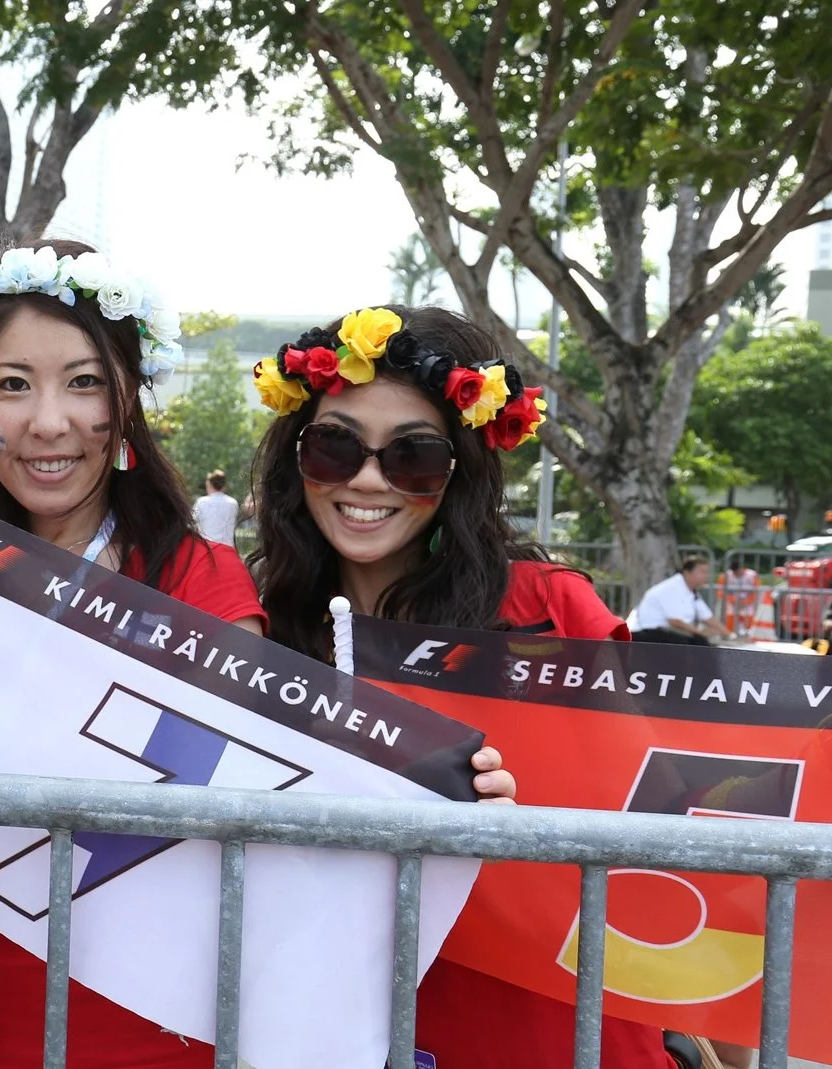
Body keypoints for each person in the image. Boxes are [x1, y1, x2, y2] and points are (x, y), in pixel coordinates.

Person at [0, 254, 513, 1068]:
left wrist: (439, 782)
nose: (47, 421)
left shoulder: (201, 580)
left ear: (128, 397)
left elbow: (251, 796)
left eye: (83, 383)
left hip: (150, 1016)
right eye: (11, 384)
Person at [249, 304, 668, 1069]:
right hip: (328, 1023)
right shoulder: (257, 622)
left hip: (536, 1024)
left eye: (412, 456)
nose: (368, 480)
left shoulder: (551, 610)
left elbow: (657, 813)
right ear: (295, 457)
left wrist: (523, 811)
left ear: (460, 470)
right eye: (335, 446)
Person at [631, 558, 726, 645]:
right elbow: (675, 621)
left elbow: (707, 617)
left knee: (702, 643)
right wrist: (700, 632)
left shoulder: (692, 591)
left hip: (666, 632)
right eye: (702, 572)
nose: (706, 576)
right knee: (695, 643)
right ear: (687, 572)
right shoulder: (672, 588)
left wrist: (728, 633)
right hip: (647, 632)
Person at [192, 468, 239, 546]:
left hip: (208, 548)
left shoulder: (202, 502)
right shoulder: (233, 503)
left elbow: (193, 523)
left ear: (209, 484)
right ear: (224, 485)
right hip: (227, 548)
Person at [717, 559, 759, 634]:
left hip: (748, 604)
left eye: (739, 571)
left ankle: (749, 636)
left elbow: (756, 591)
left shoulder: (752, 575)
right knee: (730, 621)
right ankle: (729, 635)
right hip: (731, 603)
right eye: (735, 573)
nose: (737, 574)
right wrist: (734, 600)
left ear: (743, 568)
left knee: (749, 623)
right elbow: (721, 591)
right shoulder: (726, 576)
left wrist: (746, 602)